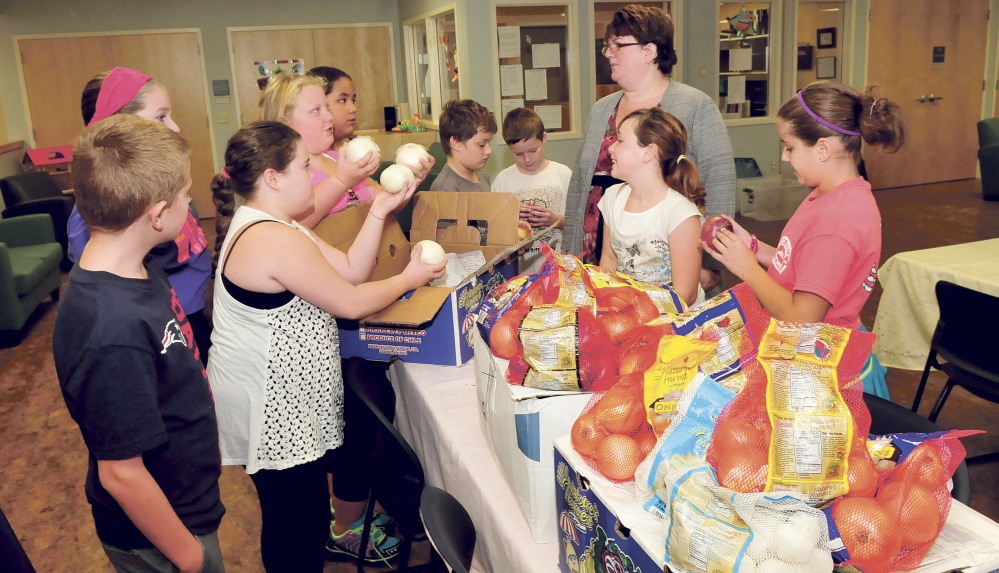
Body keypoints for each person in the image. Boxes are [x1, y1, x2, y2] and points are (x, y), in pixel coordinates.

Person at [206, 121, 445, 571]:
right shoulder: (269, 237)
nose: (313, 176)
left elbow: (352, 270)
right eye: (303, 167)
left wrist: (379, 210)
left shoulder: (280, 223)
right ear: (273, 177)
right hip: (270, 405)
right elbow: (351, 302)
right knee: (295, 524)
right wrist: (409, 278)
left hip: (287, 399)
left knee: (306, 516)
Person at [52, 115, 226, 573]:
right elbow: (121, 472)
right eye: (186, 195)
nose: (191, 204)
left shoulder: (141, 268)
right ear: (157, 213)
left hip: (185, 503)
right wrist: (188, 556)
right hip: (162, 538)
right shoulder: (110, 332)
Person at [703, 82, 905, 399]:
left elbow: (802, 318)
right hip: (808, 352)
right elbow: (799, 262)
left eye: (790, 147)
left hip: (819, 371)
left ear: (823, 149)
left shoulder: (837, 223)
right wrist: (753, 247)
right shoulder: (829, 193)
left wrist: (746, 269)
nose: (784, 157)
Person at [563, 4, 736, 295]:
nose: (608, 53)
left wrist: (708, 262)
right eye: (608, 45)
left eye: (618, 45)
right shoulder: (601, 108)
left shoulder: (695, 105)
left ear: (649, 51)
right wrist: (571, 252)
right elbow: (580, 186)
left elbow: (720, 186)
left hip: (665, 262)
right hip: (600, 248)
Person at [66, 67, 214, 365]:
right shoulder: (103, 213)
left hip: (190, 304)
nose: (174, 127)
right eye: (160, 117)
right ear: (122, 128)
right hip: (170, 321)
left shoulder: (160, 188)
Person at [598, 107, 704, 306]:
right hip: (628, 310)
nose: (611, 148)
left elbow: (685, 294)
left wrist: (632, 310)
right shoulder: (613, 197)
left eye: (620, 140)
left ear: (648, 152)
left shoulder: (680, 214)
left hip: (675, 321)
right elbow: (609, 259)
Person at [306, 66, 434, 216]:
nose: (353, 108)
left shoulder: (342, 158)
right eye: (342, 100)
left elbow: (385, 205)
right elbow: (296, 223)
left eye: (353, 100)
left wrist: (409, 181)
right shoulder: (295, 169)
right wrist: (342, 181)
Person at [491, 107, 572, 274]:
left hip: (558, 270)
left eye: (533, 151)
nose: (527, 159)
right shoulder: (503, 180)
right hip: (518, 272)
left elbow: (581, 226)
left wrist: (554, 219)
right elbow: (493, 231)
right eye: (519, 154)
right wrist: (511, 216)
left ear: (544, 138)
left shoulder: (563, 175)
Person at [429, 99, 497, 191]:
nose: (489, 150)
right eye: (481, 145)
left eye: (489, 143)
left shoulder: (483, 176)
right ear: (456, 143)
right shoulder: (444, 188)